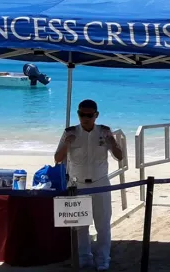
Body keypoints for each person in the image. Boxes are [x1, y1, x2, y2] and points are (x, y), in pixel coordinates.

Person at [54, 99, 123, 271]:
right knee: (80, 226)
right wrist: (67, 144)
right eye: (81, 114)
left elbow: (119, 156)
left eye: (89, 115)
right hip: (77, 185)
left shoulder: (105, 132)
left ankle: (103, 260)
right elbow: (57, 158)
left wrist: (113, 143)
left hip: (101, 184)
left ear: (96, 115)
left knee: (103, 225)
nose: (85, 118)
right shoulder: (70, 132)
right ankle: (84, 258)